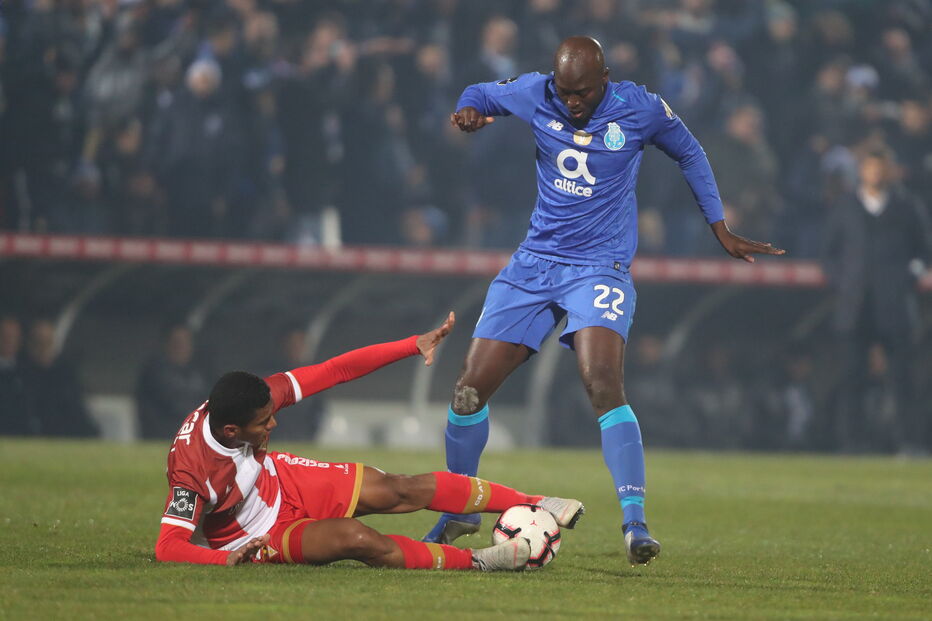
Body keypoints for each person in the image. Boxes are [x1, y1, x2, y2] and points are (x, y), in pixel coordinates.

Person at [423, 36, 784, 565]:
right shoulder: (532, 92)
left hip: (599, 267)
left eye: (584, 93)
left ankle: (635, 525)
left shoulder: (639, 107)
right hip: (533, 264)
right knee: (466, 395)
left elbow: (689, 151)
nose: (572, 103)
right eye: (565, 92)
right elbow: (478, 91)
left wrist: (720, 227)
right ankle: (460, 507)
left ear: (606, 79)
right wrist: (469, 112)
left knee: (602, 383)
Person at [155, 312, 584, 570]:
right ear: (231, 432)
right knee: (357, 540)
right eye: (264, 423)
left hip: (283, 480)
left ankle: (538, 500)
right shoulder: (193, 469)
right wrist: (224, 557)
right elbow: (168, 546)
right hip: (256, 535)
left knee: (401, 488)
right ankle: (476, 561)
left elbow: (334, 370)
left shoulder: (256, 396)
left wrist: (411, 346)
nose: (274, 425)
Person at [823, 148, 932, 453]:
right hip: (855, 307)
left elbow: (923, 251)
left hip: (894, 305)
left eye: (882, 168)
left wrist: (908, 278)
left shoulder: (907, 206)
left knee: (902, 379)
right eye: (871, 168)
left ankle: (909, 442)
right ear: (862, 171)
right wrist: (843, 282)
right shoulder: (845, 207)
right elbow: (828, 254)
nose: (876, 174)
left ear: (891, 171)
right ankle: (851, 443)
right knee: (851, 378)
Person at [136, 323, 208, 441]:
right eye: (177, 343)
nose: (182, 348)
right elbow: (174, 405)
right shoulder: (155, 373)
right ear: (166, 344)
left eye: (186, 343)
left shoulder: (198, 373)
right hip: (163, 438)